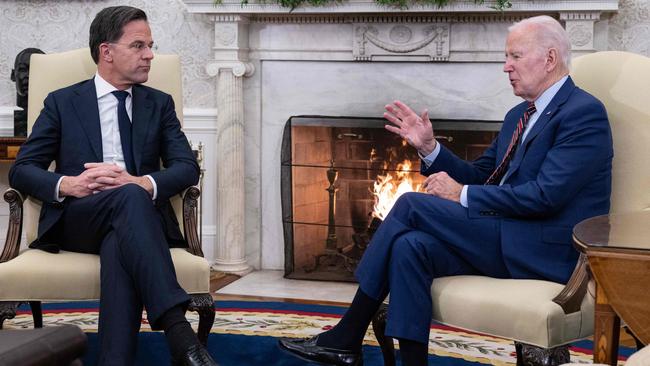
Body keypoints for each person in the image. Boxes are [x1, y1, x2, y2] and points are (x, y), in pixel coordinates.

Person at [279, 15, 612, 366]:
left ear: (549, 58)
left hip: (545, 252)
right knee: (411, 247)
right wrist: (429, 148)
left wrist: (461, 195)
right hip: (504, 237)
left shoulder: (583, 113)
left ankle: (347, 333)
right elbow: (482, 175)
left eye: (515, 56)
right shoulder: (519, 115)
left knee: (410, 204)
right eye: (506, 57)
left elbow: (546, 196)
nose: (505, 67)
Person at [9, 6, 217, 366]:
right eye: (138, 45)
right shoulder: (63, 102)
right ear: (107, 51)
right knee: (129, 203)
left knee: (124, 226)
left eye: (150, 45)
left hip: (137, 222)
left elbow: (186, 167)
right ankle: (177, 330)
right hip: (79, 219)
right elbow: (23, 170)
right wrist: (68, 184)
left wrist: (142, 182)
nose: (150, 54)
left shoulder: (158, 104)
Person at [10, 47, 45, 136]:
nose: (29, 75)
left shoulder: (54, 116)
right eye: (23, 69)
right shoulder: (10, 119)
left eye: (36, 69)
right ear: (13, 75)